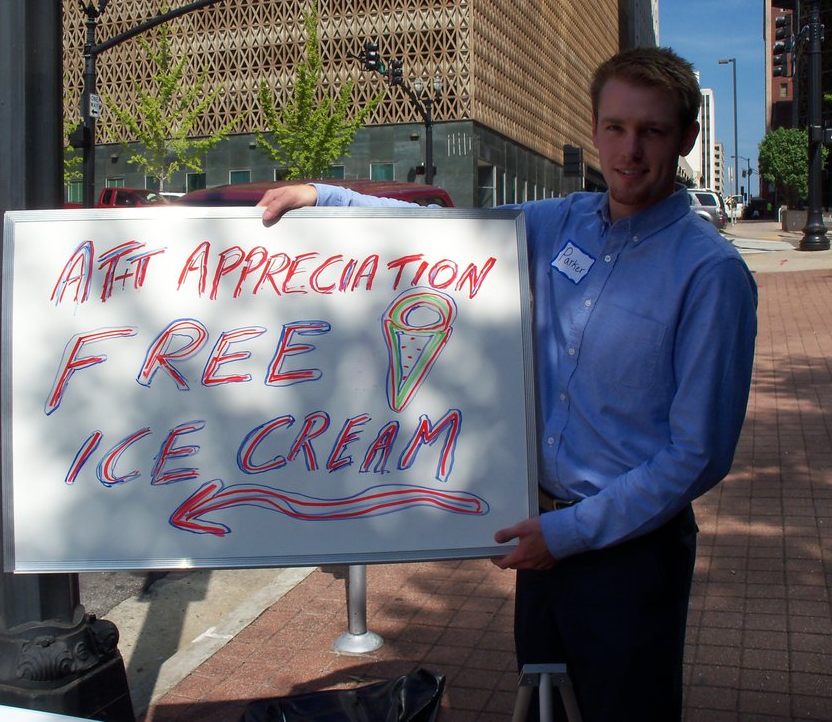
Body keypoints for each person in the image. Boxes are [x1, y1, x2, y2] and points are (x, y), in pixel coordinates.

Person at [258, 46, 757, 721]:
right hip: (541, 539)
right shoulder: (562, 222)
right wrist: (327, 198)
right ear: (594, 128)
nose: (630, 150)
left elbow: (697, 454)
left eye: (652, 131)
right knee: (546, 705)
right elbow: (445, 231)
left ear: (686, 139)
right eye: (615, 127)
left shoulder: (711, 274)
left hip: (629, 554)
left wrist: (572, 533)